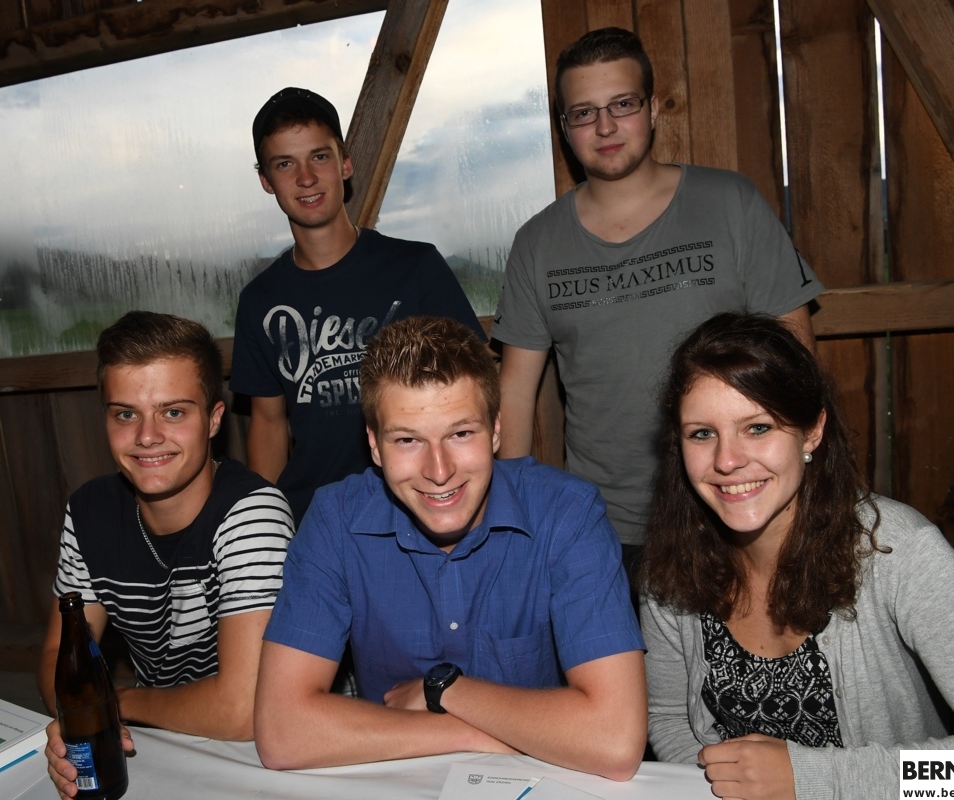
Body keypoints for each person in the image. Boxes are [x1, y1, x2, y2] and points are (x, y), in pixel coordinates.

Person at [640, 312, 954, 799]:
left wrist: (812, 779)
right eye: (702, 433)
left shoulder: (900, 551)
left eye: (757, 427)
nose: (727, 460)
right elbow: (670, 718)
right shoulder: (670, 567)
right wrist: (716, 786)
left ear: (812, 431)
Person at [254, 315, 647, 779]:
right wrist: (475, 735)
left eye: (461, 434)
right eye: (407, 440)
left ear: (496, 431)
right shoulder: (336, 521)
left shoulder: (567, 514)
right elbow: (282, 732)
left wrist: (444, 691)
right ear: (374, 446)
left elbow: (614, 740)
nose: (438, 471)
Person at [492, 27, 824, 558]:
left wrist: (806, 478)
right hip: (603, 528)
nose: (604, 126)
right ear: (564, 127)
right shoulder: (536, 243)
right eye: (583, 112)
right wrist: (509, 518)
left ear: (651, 110)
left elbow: (795, 356)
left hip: (734, 507)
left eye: (622, 104)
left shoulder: (732, 204)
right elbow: (514, 390)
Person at [37, 311, 294, 799]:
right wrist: (81, 716)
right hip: (164, 740)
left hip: (274, 752)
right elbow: (56, 658)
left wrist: (112, 705)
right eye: (125, 414)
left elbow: (243, 709)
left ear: (214, 420)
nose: (147, 436)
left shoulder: (252, 512)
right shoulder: (89, 512)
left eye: (173, 412)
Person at [231, 87, 485, 523]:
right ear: (266, 181)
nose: (306, 178)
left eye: (319, 157)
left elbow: (478, 388)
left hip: (420, 505)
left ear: (345, 164)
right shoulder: (260, 301)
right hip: (316, 518)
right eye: (285, 164)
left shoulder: (417, 268)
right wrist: (265, 525)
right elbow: (268, 424)